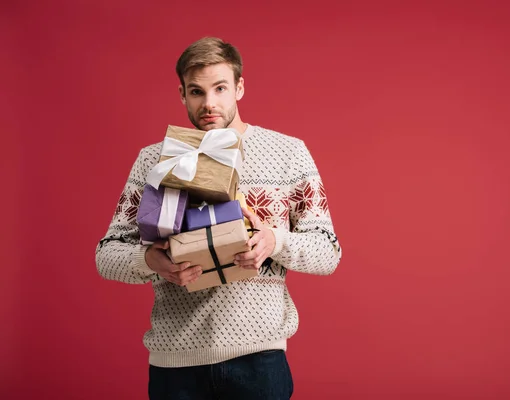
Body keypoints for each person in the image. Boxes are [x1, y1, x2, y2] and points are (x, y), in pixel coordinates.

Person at [95, 36, 342, 400]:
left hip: (260, 361)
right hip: (175, 364)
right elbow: (107, 254)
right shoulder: (155, 159)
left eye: (220, 88)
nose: (209, 103)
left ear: (239, 87)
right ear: (181, 94)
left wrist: (275, 240)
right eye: (196, 92)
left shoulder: (289, 153)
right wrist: (151, 260)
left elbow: (328, 251)